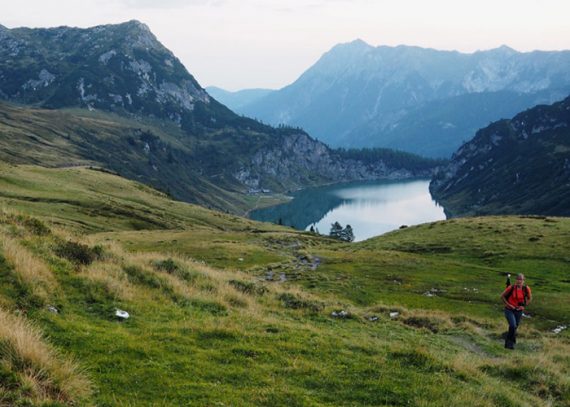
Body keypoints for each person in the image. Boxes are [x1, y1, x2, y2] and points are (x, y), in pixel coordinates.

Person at [501, 273, 532, 349]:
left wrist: (523, 306)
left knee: (515, 327)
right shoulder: (511, 288)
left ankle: (512, 340)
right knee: (512, 325)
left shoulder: (526, 288)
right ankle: (509, 344)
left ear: (523, 281)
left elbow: (529, 298)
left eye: (521, 279)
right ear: (516, 280)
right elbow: (502, 296)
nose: (519, 281)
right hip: (509, 309)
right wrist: (509, 305)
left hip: (519, 311)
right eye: (518, 279)